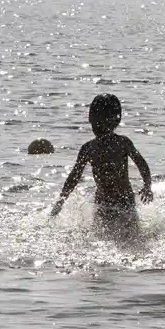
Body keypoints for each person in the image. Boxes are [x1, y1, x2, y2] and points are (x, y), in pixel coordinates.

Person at [50, 93, 153, 237]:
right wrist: (61, 200)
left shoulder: (122, 143)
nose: (94, 126)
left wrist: (147, 186)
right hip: (102, 203)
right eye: (93, 122)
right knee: (104, 238)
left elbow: (141, 164)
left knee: (128, 236)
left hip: (125, 203)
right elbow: (74, 177)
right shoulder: (88, 148)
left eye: (97, 122)